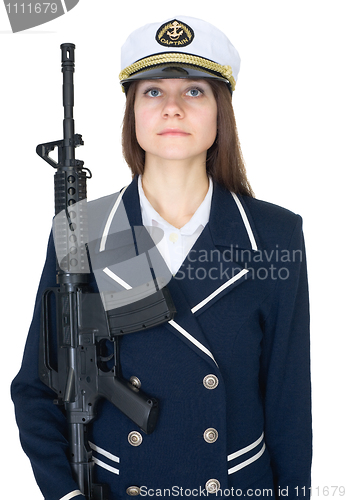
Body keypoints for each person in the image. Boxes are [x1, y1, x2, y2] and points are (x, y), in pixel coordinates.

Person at [11, 16, 312, 500]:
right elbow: (36, 388)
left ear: (221, 113)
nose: (172, 107)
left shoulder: (274, 234)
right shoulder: (83, 227)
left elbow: (289, 404)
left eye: (194, 91)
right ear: (132, 112)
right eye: (152, 92)